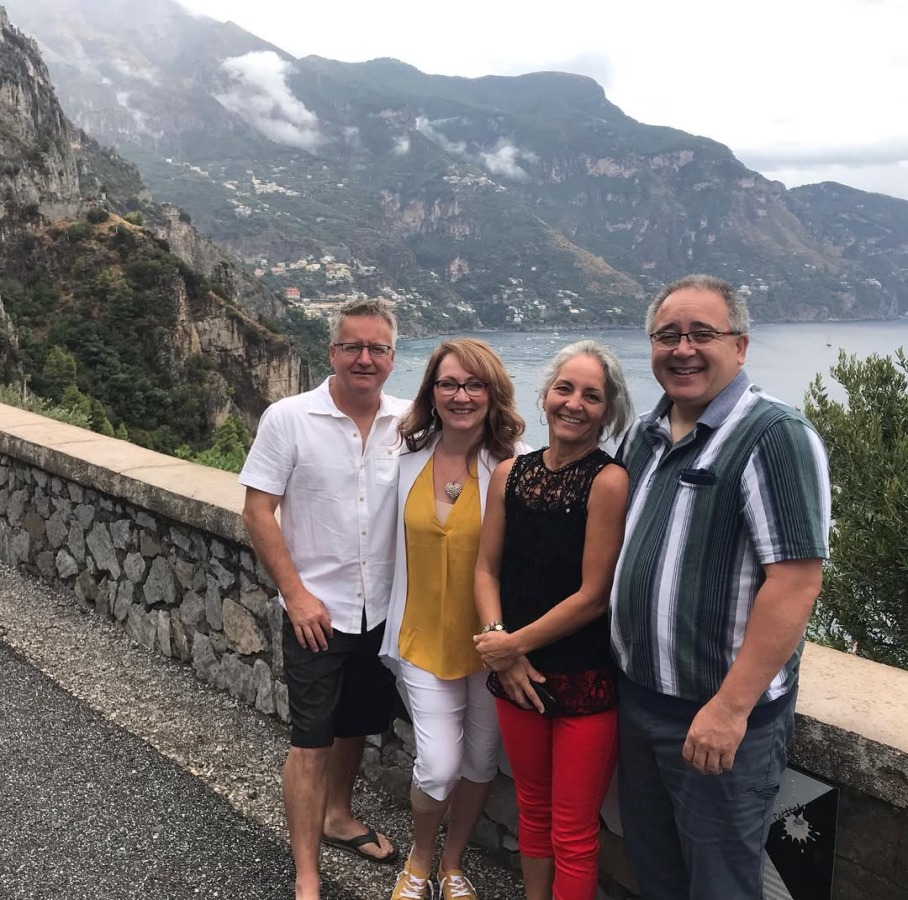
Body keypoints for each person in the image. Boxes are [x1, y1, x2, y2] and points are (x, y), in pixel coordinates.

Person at [610, 274, 832, 899]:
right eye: (668, 335)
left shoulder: (773, 436)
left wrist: (730, 709)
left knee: (721, 883)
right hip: (640, 701)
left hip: (719, 716)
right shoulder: (642, 435)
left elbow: (795, 583)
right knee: (654, 870)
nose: (683, 349)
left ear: (740, 345)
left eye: (702, 333)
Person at [239, 298, 409, 900]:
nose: (365, 358)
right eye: (352, 347)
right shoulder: (289, 418)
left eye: (377, 348)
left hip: (382, 611)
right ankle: (307, 875)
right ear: (332, 351)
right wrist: (295, 594)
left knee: (355, 726)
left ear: (392, 356)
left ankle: (338, 815)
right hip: (316, 611)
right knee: (309, 743)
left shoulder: (410, 422)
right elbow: (257, 511)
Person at [473, 340, 631, 900]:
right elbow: (486, 568)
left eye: (592, 395)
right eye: (565, 388)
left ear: (607, 412)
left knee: (574, 831)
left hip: (582, 678)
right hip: (514, 674)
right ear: (545, 396)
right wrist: (502, 644)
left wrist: (511, 646)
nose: (574, 403)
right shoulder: (509, 474)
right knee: (533, 811)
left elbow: (593, 596)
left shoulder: (609, 481)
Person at [380, 338, 528, 900]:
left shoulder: (515, 466)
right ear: (432, 393)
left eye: (474, 384)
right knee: (439, 765)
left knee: (481, 760)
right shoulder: (402, 461)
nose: (461, 396)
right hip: (421, 637)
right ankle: (418, 860)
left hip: (491, 645)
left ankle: (452, 865)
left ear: (493, 393)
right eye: (449, 384)